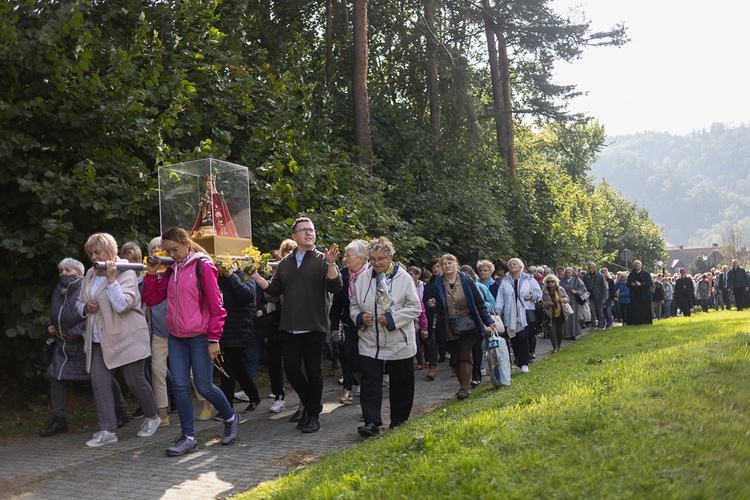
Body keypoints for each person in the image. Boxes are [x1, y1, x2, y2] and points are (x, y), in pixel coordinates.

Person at [142, 227, 239, 456]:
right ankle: (188, 437)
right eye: (168, 250)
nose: (172, 254)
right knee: (180, 386)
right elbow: (152, 298)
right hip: (176, 337)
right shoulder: (172, 270)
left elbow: (217, 307)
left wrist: (214, 338)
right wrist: (151, 273)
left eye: (175, 249)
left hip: (200, 336)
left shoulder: (202, 266)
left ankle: (231, 417)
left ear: (186, 243)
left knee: (204, 386)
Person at [248, 217, 342, 434]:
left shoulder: (322, 259)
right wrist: (254, 275)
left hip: (314, 324)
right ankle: (312, 404)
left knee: (313, 370)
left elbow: (334, 286)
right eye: (303, 230)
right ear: (294, 236)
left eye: (311, 230)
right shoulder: (285, 263)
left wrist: (330, 264)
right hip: (289, 325)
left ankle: (312, 416)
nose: (309, 233)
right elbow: (273, 290)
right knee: (291, 369)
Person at [78, 233, 160, 448]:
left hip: (126, 337)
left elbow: (123, 304)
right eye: (91, 253)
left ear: (111, 252)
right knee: (100, 382)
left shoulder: (126, 271)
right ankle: (108, 430)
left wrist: (112, 279)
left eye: (97, 252)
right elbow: (79, 302)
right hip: (98, 338)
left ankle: (152, 417)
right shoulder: (89, 273)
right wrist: (85, 307)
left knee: (135, 381)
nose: (93, 257)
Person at [40, 258, 128, 437]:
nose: (63, 274)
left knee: (103, 378)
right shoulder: (58, 290)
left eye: (68, 271)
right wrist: (50, 325)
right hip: (62, 345)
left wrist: (73, 332)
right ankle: (59, 420)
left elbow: (91, 315)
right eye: (62, 270)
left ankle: (120, 411)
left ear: (79, 273)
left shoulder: (85, 288)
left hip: (83, 344)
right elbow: (56, 312)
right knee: (56, 378)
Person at [350, 237, 423, 436]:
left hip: (398, 339)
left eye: (381, 258)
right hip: (370, 341)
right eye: (372, 259)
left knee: (401, 382)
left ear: (390, 257)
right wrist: (360, 317)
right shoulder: (363, 278)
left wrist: (392, 319)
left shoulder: (404, 278)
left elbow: (415, 307)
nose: (376, 263)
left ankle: (399, 419)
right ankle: (371, 422)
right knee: (370, 382)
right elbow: (354, 305)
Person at [330, 239, 370, 405]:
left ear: (361, 259)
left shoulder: (372, 274)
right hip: (348, 325)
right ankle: (347, 389)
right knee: (347, 357)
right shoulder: (343, 274)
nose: (345, 259)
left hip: (369, 326)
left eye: (349, 256)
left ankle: (367, 389)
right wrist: (334, 327)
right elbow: (337, 303)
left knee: (366, 359)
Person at [217, 266, 261, 413]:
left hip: (240, 329)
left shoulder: (244, 275)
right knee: (238, 367)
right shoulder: (218, 278)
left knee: (228, 368)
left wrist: (232, 275)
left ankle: (226, 408)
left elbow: (247, 295)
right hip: (224, 329)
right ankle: (254, 397)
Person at [495, 258, 541, 374]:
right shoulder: (505, 282)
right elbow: (500, 299)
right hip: (510, 316)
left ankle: (524, 363)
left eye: (515, 264)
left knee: (522, 337)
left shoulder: (529, 279)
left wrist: (531, 296)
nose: (512, 265)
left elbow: (538, 293)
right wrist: (497, 312)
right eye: (510, 264)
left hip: (524, 314)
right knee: (514, 339)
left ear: (521, 266)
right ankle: (518, 360)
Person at [460, 264, 494, 388]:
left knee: (476, 347)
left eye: (468, 276)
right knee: (464, 350)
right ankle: (464, 377)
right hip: (462, 322)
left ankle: (476, 375)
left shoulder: (480, 287)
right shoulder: (457, 290)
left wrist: (485, 312)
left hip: (477, 321)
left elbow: (491, 303)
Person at [541, 274, 569, 353]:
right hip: (549, 314)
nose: (550, 283)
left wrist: (563, 299)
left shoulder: (560, 289)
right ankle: (555, 347)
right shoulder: (543, 291)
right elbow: (540, 302)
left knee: (560, 331)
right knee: (552, 331)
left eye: (552, 281)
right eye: (548, 282)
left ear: (555, 282)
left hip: (560, 313)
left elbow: (567, 297)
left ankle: (559, 344)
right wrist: (546, 304)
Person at [560, 267, 588, 338]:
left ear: (572, 273)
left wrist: (576, 292)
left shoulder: (577, 280)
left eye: (569, 272)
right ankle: (566, 334)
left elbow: (583, 289)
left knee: (573, 317)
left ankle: (573, 333)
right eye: (566, 272)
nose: (567, 274)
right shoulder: (562, 281)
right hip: (565, 302)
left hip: (573, 301)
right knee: (565, 317)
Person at [626, 260, 653, 324]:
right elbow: (627, 284)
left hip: (644, 295)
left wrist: (641, 284)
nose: (637, 265)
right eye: (635, 264)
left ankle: (647, 322)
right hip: (635, 295)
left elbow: (649, 283)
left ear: (641, 265)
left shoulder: (646, 273)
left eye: (638, 264)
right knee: (636, 310)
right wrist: (631, 284)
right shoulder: (631, 274)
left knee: (646, 309)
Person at [583, 262, 606, 330]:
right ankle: (593, 325)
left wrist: (604, 297)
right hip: (590, 296)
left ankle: (600, 325)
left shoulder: (600, 275)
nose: (591, 269)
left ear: (595, 267)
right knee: (592, 310)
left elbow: (604, 287)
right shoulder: (586, 276)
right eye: (589, 268)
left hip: (599, 296)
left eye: (592, 268)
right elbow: (584, 286)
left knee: (599, 311)